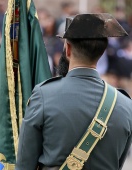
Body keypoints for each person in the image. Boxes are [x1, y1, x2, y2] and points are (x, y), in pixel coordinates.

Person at [15, 14, 132, 170]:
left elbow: (25, 164)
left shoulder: (44, 94)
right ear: (102, 52)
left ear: (67, 49)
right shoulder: (125, 104)